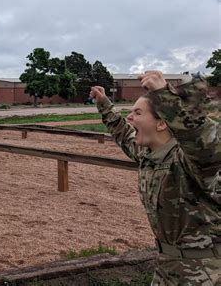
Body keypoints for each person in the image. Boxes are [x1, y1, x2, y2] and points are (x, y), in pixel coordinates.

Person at [90, 71, 220, 285]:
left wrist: (165, 96)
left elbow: (204, 143)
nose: (130, 117)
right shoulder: (149, 155)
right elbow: (124, 133)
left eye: (138, 113)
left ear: (161, 123)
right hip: (166, 268)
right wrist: (104, 103)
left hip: (206, 272)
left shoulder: (190, 161)